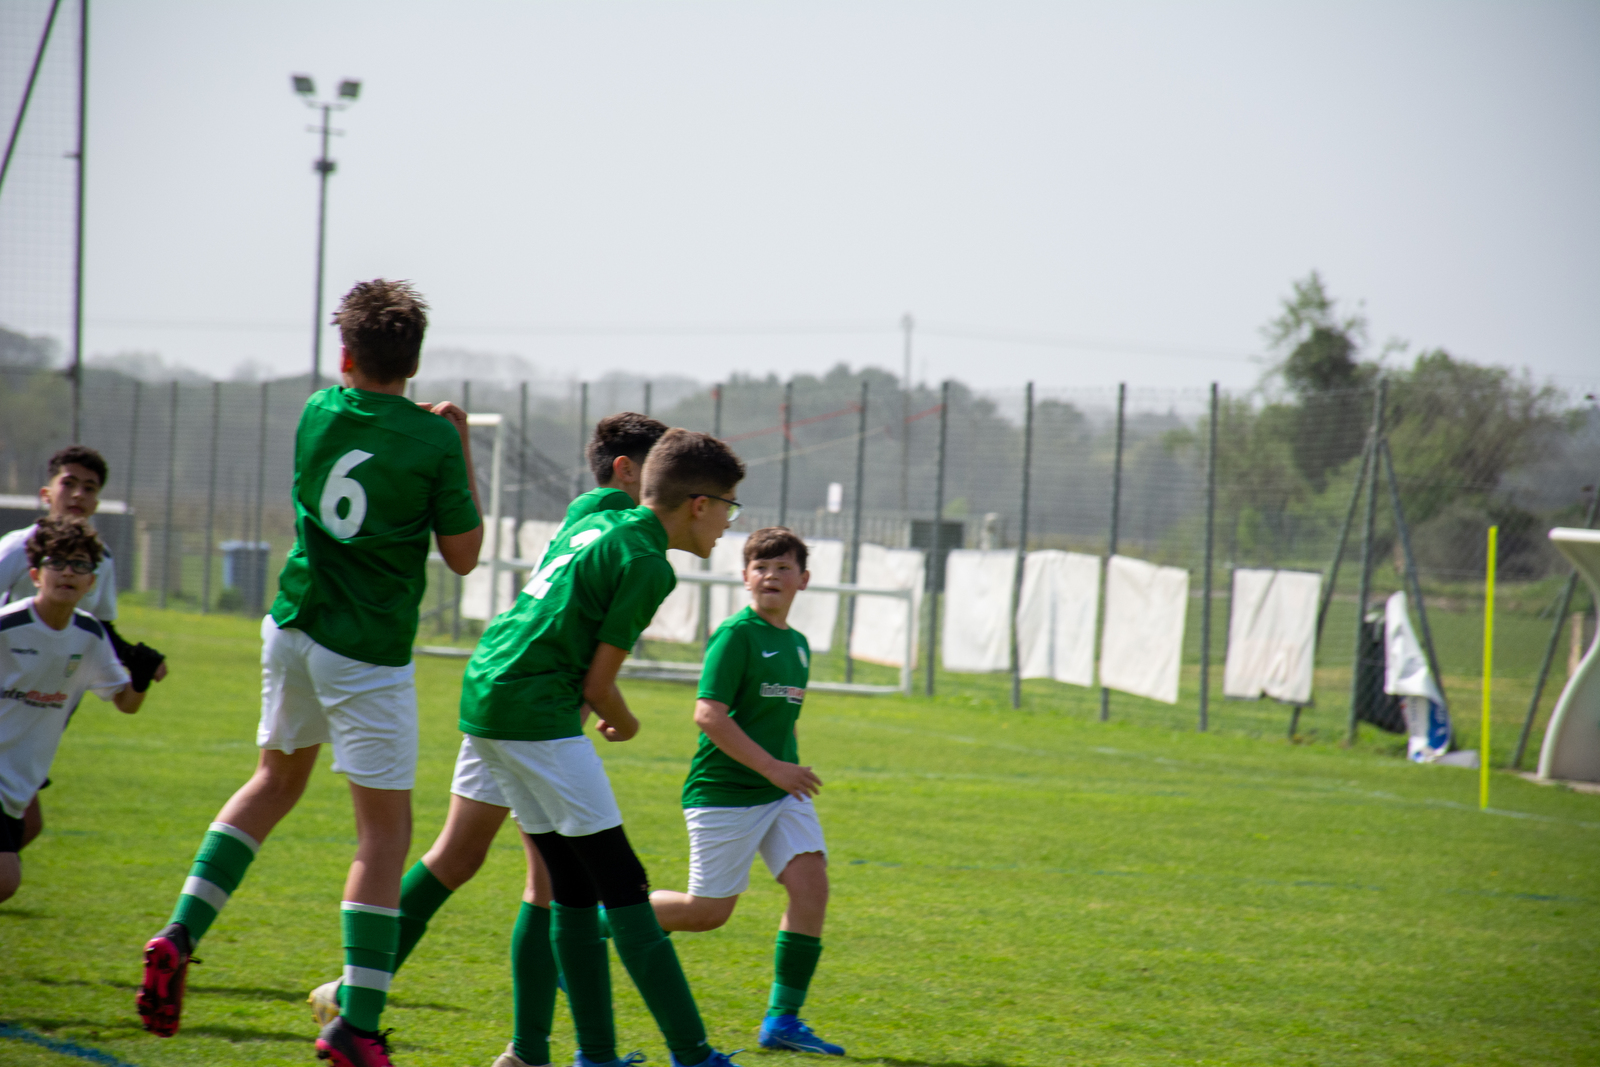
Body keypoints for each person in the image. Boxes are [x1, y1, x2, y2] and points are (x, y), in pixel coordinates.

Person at [137, 279, 483, 1067]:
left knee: (273, 782)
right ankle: (358, 1023)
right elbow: (465, 556)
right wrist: (456, 440)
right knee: (384, 833)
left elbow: (362, 440)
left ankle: (180, 932)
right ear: (416, 361)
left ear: (346, 354)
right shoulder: (432, 439)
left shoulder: (318, 409)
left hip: (293, 625)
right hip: (366, 650)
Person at [306, 412, 669, 1056]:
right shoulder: (626, 533)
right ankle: (528, 1051)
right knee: (547, 883)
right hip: (535, 718)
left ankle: (356, 988)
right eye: (659, 465)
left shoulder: (586, 512)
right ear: (625, 470)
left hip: (497, 691)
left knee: (458, 856)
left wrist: (464, 449)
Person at [459, 428, 745, 1067]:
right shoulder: (648, 563)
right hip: (536, 711)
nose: (730, 523)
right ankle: (694, 1055)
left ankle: (584, 1054)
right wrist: (626, 723)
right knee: (625, 886)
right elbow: (598, 686)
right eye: (729, 506)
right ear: (699, 504)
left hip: (486, 698)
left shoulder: (599, 518)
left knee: (571, 884)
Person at [649, 527, 843, 1056]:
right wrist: (773, 768)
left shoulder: (798, 644)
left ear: (803, 580)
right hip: (724, 791)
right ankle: (592, 925)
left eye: (783, 568)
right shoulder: (736, 635)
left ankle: (782, 1020)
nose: (770, 576)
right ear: (744, 577)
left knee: (811, 888)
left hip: (779, 793)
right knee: (707, 912)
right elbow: (708, 714)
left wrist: (785, 770)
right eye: (760, 567)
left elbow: (780, 720)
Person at [0, 446, 166, 854]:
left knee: (25, 825)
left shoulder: (99, 560)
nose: (78, 495)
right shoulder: (17, 548)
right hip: (12, 694)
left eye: (89, 488)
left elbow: (101, 627)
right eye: (68, 484)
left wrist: (138, 662)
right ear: (46, 493)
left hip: (45, 701)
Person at [0, 518, 147, 903]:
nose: (68, 572)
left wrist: (141, 678)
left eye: (80, 565)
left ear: (91, 582)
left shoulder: (89, 636)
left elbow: (126, 703)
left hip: (18, 783)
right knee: (5, 879)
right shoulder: (7, 627)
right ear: (35, 575)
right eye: (57, 562)